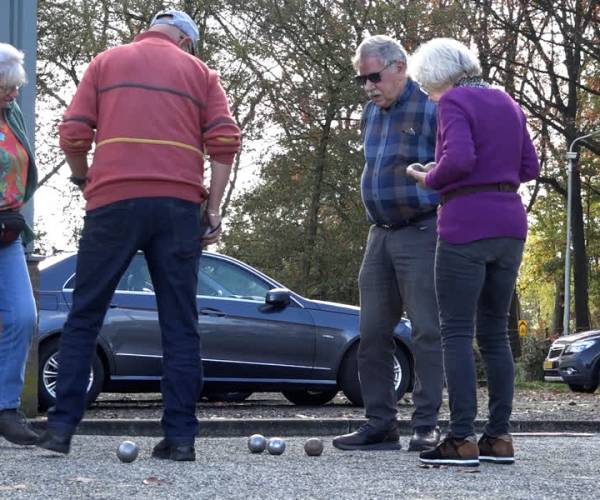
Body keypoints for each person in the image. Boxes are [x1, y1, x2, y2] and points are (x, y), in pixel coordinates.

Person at [36, 10, 241, 460]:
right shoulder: (202, 73)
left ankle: (61, 430)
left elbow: (72, 133)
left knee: (85, 315)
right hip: (177, 206)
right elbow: (225, 141)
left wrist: (83, 177)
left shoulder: (106, 62)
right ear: (187, 42)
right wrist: (213, 209)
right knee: (180, 324)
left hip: (112, 203)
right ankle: (181, 438)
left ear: (146, 31)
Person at [407, 38, 540, 466]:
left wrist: (429, 177)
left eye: (427, 85)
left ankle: (461, 437)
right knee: (496, 334)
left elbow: (459, 161)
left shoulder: (454, 102)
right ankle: (498, 437)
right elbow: (529, 168)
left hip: (467, 224)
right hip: (510, 225)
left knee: (457, 332)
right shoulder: (508, 102)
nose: (428, 94)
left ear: (439, 75)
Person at [333, 35, 444, 452]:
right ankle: (380, 424)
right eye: (362, 80)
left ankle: (427, 424)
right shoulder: (370, 114)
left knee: (428, 331)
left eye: (374, 77)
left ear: (400, 67)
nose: (368, 87)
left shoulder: (433, 107)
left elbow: (453, 165)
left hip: (422, 230)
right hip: (378, 235)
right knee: (372, 333)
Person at [0, 43, 39, 446]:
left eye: (16, 86)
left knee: (23, 317)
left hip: (7, 234)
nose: (13, 93)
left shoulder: (12, 117)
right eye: (5, 86)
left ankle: (5, 409)